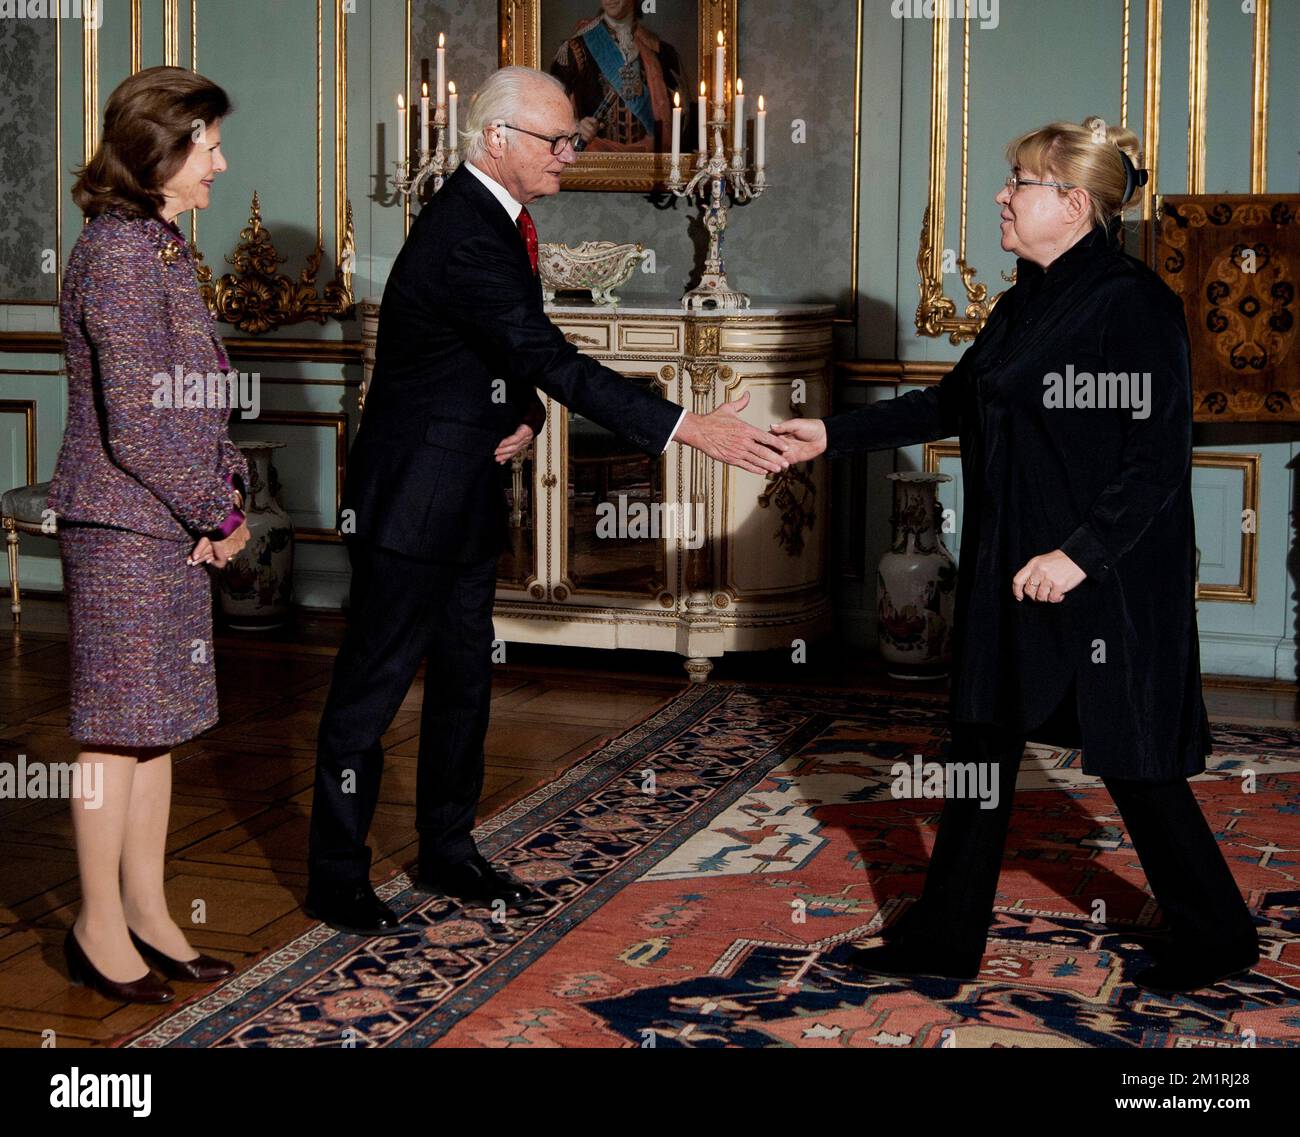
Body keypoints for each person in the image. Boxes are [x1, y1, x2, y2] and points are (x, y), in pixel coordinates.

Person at [772, 116, 1260, 995]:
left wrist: (1079, 556)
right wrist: (827, 435)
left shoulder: (1134, 303)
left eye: (1020, 182)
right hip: (1012, 565)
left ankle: (1219, 934)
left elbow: (1157, 457)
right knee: (982, 742)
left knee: (1137, 760)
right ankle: (946, 935)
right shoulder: (1023, 299)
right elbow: (952, 403)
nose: (1002, 195)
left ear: (1074, 204)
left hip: (1102, 576)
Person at [304, 66, 789, 935]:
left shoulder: (500, 221)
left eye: (573, 138)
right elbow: (547, 352)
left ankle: (448, 850)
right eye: (557, 140)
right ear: (497, 140)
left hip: (462, 492)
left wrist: (522, 415)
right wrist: (684, 426)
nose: (573, 152)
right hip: (412, 502)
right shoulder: (463, 231)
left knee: (464, 685)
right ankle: (335, 877)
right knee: (368, 699)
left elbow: (505, 357)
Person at [49, 66, 250, 1004]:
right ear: (157, 150)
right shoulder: (124, 253)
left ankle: (147, 910)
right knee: (111, 734)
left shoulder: (155, 243)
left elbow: (195, 396)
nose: (219, 159)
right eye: (206, 142)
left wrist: (224, 495)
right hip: (126, 524)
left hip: (163, 520)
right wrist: (214, 511)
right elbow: (135, 423)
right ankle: (96, 922)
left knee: (155, 728)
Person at [549, 0, 687, 152]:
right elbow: (549, 108)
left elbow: (683, 118)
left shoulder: (663, 53)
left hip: (652, 167)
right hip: (593, 166)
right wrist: (576, 127)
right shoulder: (575, 49)